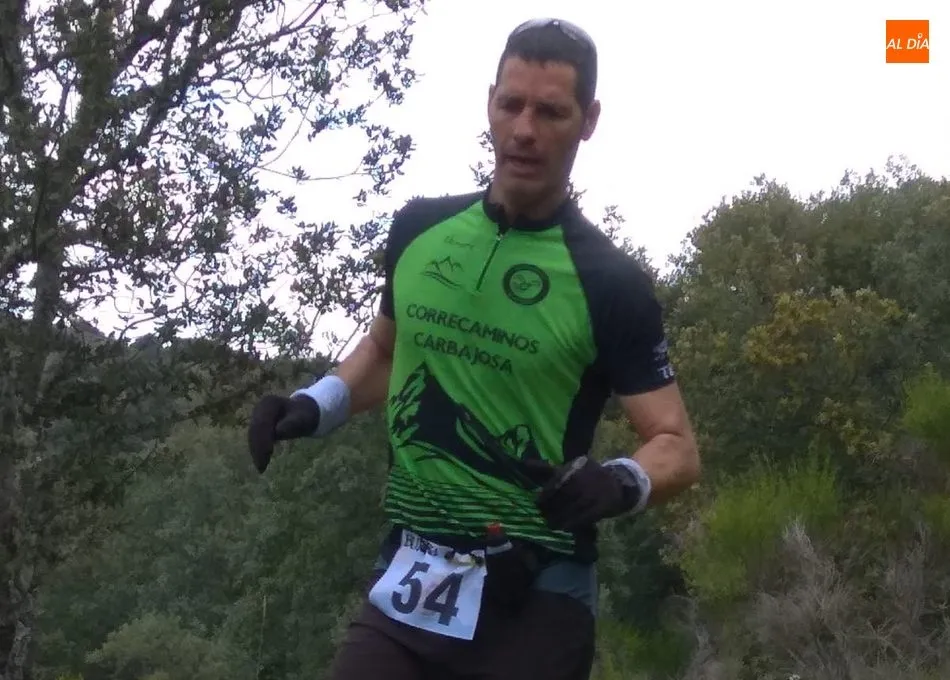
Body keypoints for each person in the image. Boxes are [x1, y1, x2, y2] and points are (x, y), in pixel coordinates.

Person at [247, 16, 701, 680]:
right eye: (511, 104)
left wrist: (618, 482)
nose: (524, 129)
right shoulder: (419, 229)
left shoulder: (610, 282)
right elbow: (386, 352)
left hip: (536, 595)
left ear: (588, 120)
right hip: (412, 577)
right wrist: (314, 405)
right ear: (489, 102)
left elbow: (677, 446)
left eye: (551, 112)